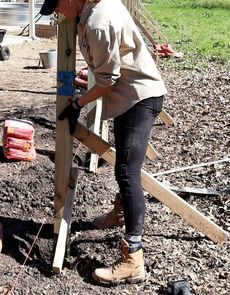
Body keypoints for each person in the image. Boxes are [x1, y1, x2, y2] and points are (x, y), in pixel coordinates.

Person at [40, 0, 167, 285]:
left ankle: (134, 259)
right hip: (131, 96)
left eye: (58, 6)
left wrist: (77, 105)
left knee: (126, 171)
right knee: (124, 165)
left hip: (138, 99)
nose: (58, 13)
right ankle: (120, 213)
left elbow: (109, 81)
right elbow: (110, 63)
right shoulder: (94, 12)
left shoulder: (98, 21)